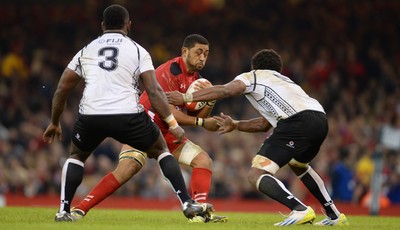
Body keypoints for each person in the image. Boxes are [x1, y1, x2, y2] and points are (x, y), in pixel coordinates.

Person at [42, 4, 213, 222]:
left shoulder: (86, 50)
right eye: (199, 52)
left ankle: (63, 211)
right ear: (128, 25)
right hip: (128, 114)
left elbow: (62, 89)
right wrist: (173, 123)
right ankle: (187, 203)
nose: (203, 58)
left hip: (91, 113)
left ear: (102, 25)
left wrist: (55, 122)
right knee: (160, 150)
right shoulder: (138, 50)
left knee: (76, 156)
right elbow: (153, 91)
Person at [167, 49, 349, 226]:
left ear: (255, 67)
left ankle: (299, 209)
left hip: (297, 122)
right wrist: (236, 124)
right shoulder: (285, 81)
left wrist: (185, 97)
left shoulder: (252, 76)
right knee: (298, 164)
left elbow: (226, 90)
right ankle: (335, 216)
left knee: (257, 173)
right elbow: (264, 124)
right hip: (320, 119)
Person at [70, 34, 227, 223]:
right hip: (143, 126)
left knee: (203, 160)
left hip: (168, 131)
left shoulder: (197, 80)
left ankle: (199, 214)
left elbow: (194, 117)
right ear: (185, 51)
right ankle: (80, 209)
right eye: (198, 52)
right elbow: (167, 110)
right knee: (127, 168)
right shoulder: (169, 70)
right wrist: (201, 123)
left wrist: (209, 102)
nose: (202, 57)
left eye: (206, 54)